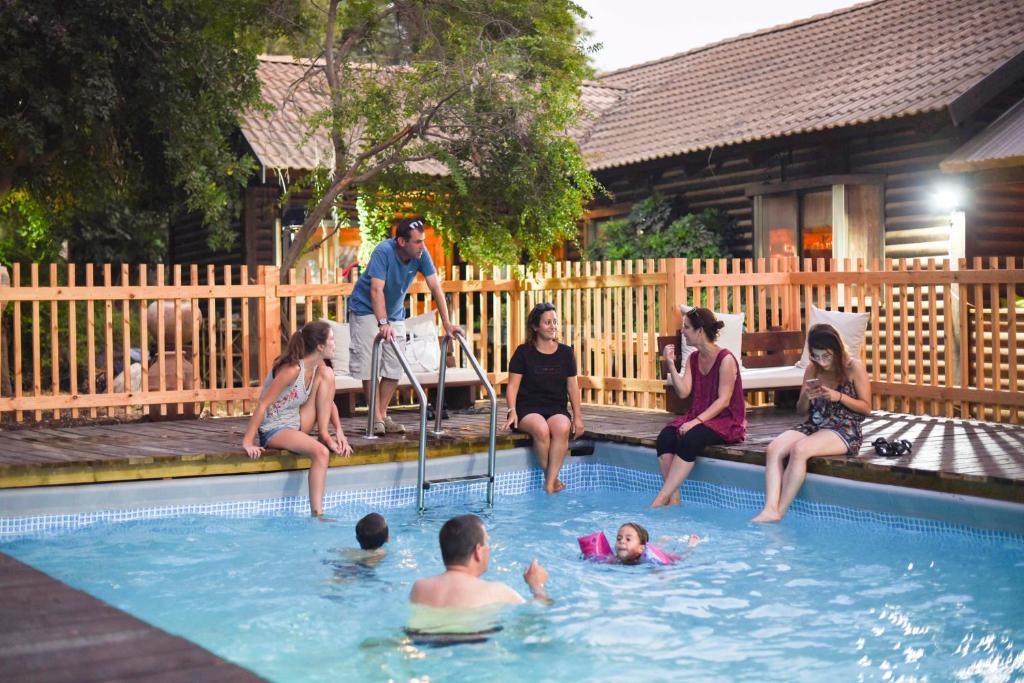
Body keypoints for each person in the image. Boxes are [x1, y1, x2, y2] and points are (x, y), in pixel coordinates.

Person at [348, 217, 463, 436]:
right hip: (365, 308)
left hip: (395, 312)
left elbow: (435, 287)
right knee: (370, 364)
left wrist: (446, 323)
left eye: (423, 241)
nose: (422, 246)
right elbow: (376, 290)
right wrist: (383, 323)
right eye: (418, 241)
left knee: (394, 365)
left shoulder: (421, 254)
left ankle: (380, 415)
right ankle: (375, 418)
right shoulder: (383, 252)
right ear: (402, 242)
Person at [753, 324, 872, 522]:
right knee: (774, 449)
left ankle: (779, 512)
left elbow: (866, 408)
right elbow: (801, 411)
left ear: (836, 350)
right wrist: (806, 397)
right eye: (816, 356)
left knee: (800, 450)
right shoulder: (812, 369)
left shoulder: (853, 367)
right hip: (815, 424)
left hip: (844, 428)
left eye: (826, 356)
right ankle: (769, 507)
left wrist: (837, 396)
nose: (822, 362)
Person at [242, 321, 353, 516]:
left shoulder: (318, 367)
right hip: (275, 428)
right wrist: (248, 441)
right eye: (332, 340)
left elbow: (328, 401)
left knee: (327, 373)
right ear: (320, 346)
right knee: (321, 453)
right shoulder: (292, 370)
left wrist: (339, 432)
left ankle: (325, 435)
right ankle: (317, 514)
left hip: (297, 422)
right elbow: (262, 404)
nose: (335, 344)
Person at [651, 307, 746, 507]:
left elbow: (724, 400)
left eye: (686, 327)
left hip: (724, 419)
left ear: (700, 331)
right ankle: (673, 496)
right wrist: (670, 365)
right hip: (699, 415)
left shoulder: (725, 359)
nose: (682, 332)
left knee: (690, 439)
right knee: (665, 437)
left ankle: (661, 498)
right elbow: (684, 391)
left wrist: (695, 422)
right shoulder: (693, 358)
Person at [500, 303, 584, 494]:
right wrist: (512, 411)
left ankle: (548, 484)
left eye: (555, 321)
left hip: (555, 407)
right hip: (528, 408)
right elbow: (512, 386)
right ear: (535, 327)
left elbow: (572, 387)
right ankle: (552, 479)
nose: (553, 326)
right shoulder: (523, 352)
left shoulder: (566, 353)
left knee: (562, 427)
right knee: (541, 429)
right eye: (547, 322)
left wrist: (578, 417)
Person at [409, 514, 549, 608]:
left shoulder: (419, 588)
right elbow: (536, 615)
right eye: (487, 542)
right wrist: (537, 585)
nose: (489, 548)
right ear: (478, 551)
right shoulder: (496, 591)